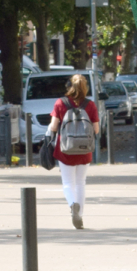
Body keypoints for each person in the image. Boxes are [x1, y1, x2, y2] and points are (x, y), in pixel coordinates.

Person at [48, 74, 99, 229]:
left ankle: (72, 205)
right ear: (85, 87)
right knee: (81, 183)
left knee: (68, 183)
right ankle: (80, 215)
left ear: (69, 86)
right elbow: (96, 129)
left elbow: (53, 127)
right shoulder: (90, 105)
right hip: (84, 150)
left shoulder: (60, 103)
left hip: (65, 149)